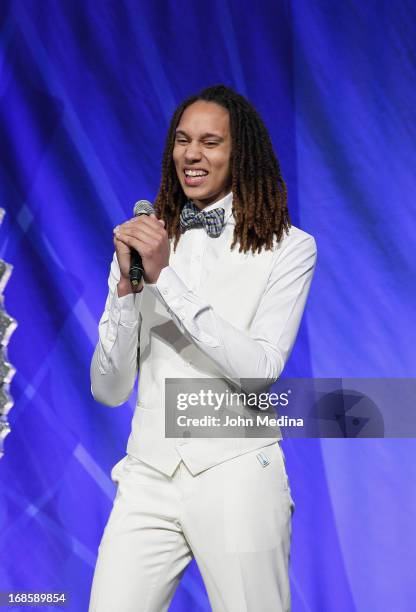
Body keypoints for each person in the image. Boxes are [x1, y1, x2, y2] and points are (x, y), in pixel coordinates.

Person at [88, 84, 317, 612]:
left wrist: (167, 280)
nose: (192, 154)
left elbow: (260, 370)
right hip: (147, 473)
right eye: (183, 140)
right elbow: (108, 390)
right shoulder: (144, 240)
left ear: (241, 153)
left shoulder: (289, 247)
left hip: (237, 471)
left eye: (211, 142)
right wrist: (126, 293)